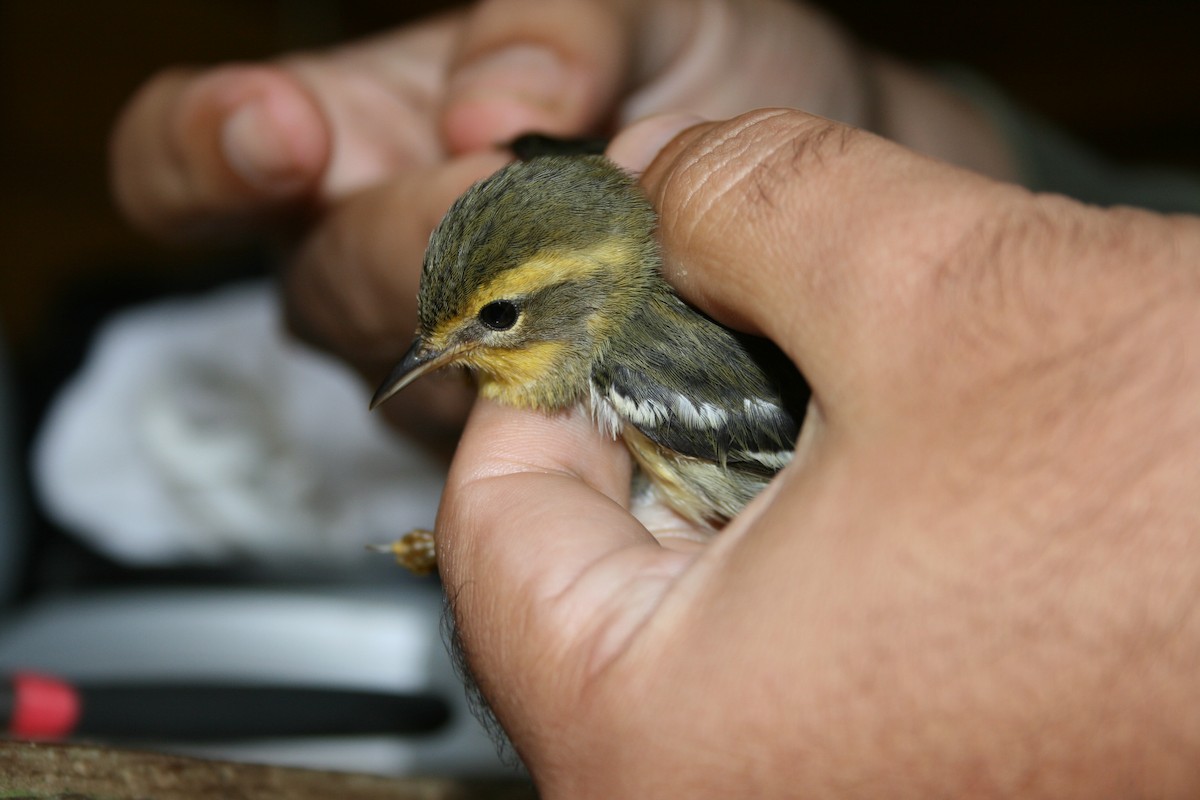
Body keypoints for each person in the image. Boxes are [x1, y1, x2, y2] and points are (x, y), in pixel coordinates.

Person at [110, 0, 1200, 795]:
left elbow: (779, 499)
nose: (451, 351)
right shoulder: (603, 283)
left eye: (497, 319)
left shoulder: (639, 363)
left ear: (584, 297)